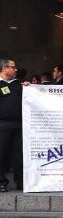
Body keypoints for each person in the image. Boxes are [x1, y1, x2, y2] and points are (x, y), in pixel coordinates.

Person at [0, 59, 24, 192]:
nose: (15, 70)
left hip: (18, 124)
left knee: (19, 154)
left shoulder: (18, 84)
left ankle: (20, 181)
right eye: (13, 67)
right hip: (2, 124)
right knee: (2, 153)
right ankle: (2, 182)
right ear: (4, 68)